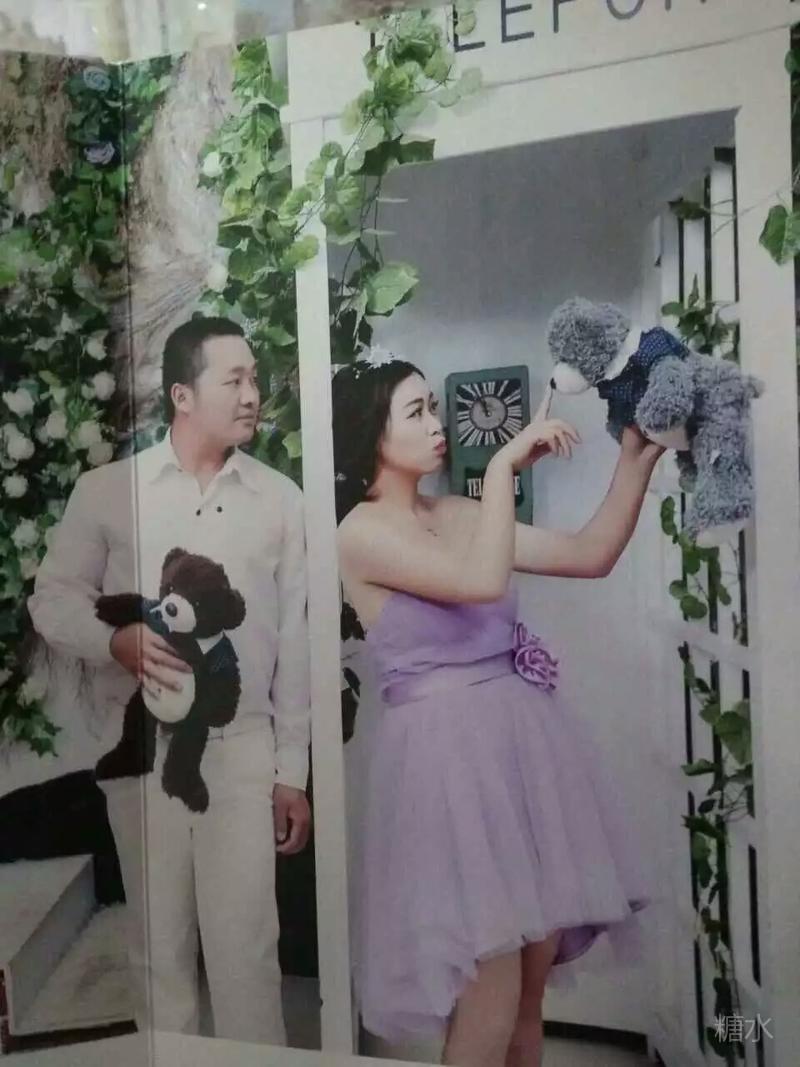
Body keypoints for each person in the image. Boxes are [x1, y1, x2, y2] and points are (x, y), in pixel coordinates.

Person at [332, 350, 665, 1067]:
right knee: (490, 993)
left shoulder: (454, 511)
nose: (436, 423)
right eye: (416, 411)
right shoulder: (360, 532)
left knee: (528, 996)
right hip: (449, 771)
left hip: (521, 755)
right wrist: (502, 470)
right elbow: (481, 581)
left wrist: (638, 457)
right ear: (372, 433)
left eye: (432, 405)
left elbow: (591, 553)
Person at [28, 316, 312, 1044]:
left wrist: (292, 771)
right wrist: (113, 640)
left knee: (248, 954)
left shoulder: (280, 499)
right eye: (234, 379)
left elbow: (296, 640)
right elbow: (52, 598)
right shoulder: (107, 491)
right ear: (183, 395)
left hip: (242, 750)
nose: (252, 394)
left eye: (255, 378)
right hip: (141, 756)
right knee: (160, 955)